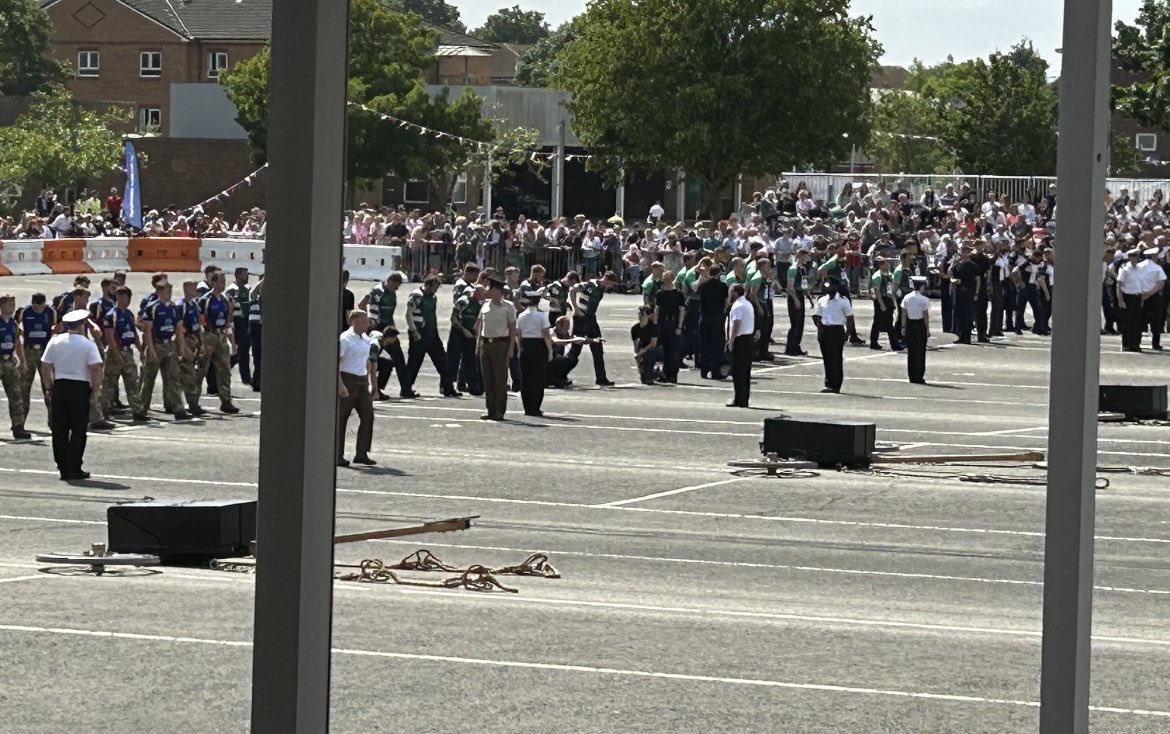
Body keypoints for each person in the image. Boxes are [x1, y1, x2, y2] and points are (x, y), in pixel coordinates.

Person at [41, 309, 103, 481]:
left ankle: (62, 466)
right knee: (78, 429)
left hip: (60, 386)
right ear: (82, 325)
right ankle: (74, 465)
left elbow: (45, 365)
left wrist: (48, 387)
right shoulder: (87, 344)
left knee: (59, 428)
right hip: (79, 387)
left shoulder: (55, 341)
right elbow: (96, 368)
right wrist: (95, 391)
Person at [401, 275, 460, 398]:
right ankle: (406, 389)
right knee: (414, 362)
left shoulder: (433, 297)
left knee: (443, 361)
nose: (436, 290)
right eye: (434, 287)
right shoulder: (417, 295)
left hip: (432, 332)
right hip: (419, 332)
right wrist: (414, 331)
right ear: (428, 285)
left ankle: (448, 388)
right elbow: (408, 314)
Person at [139, 283, 191, 420]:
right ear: (159, 291)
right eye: (166, 290)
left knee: (173, 377)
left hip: (169, 344)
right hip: (156, 344)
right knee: (149, 378)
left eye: (170, 290)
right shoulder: (152, 307)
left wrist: (181, 347)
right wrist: (149, 348)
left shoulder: (174, 308)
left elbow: (179, 328)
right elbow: (147, 330)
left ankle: (177, 408)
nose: (168, 293)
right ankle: (142, 408)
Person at [101, 287, 148, 422]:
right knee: (109, 383)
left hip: (128, 351)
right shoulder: (111, 315)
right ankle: (104, 410)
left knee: (132, 382)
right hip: (115, 351)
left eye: (125, 296)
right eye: (120, 296)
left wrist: (141, 350)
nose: (122, 299)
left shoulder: (128, 314)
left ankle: (137, 411)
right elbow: (109, 337)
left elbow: (133, 334)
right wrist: (116, 355)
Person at [337, 310, 377, 468]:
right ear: (355, 322)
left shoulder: (366, 339)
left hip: (361, 381)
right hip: (347, 379)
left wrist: (373, 385)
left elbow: (367, 362)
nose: (368, 324)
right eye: (365, 321)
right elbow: (337, 362)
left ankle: (362, 453)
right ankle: (337, 454)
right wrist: (340, 384)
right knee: (341, 419)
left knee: (368, 416)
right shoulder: (345, 339)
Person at [359, 272, 408, 399]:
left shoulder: (392, 293)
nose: (396, 289)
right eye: (395, 286)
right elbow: (362, 304)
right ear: (390, 281)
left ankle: (405, 388)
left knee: (398, 358)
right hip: (377, 328)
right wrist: (368, 320)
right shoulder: (378, 291)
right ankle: (373, 390)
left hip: (388, 327)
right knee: (373, 359)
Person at [197, 272, 241, 414]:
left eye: (224, 281)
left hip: (221, 336)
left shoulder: (225, 300)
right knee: (202, 369)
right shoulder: (205, 300)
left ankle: (226, 400)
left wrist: (232, 342)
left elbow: (229, 321)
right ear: (214, 282)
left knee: (224, 368)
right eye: (221, 281)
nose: (223, 284)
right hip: (209, 335)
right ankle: (193, 401)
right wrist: (203, 340)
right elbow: (200, 320)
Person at [567, 271, 618, 387]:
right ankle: (560, 374)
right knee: (576, 348)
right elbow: (573, 290)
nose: (610, 287)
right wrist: (575, 308)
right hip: (581, 317)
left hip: (591, 318)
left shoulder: (601, 288)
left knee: (597, 347)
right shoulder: (591, 285)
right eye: (610, 283)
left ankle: (601, 378)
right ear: (606, 279)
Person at [476, 278, 517, 420]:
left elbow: (512, 328)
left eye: (491, 289)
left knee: (500, 379)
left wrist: (511, 348)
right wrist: (478, 343)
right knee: (487, 378)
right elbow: (480, 324)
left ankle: (500, 410)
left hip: (501, 344)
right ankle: (490, 409)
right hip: (486, 343)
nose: (488, 291)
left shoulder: (508, 306)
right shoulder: (485, 305)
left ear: (498, 291)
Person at [16, 293, 56, 425]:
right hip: (29, 351)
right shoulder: (25, 312)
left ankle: (53, 421)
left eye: (41, 306)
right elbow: (16, 327)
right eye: (36, 306)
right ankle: (20, 423)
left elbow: (56, 327)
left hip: (45, 350)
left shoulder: (50, 312)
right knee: (24, 387)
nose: (39, 309)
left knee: (49, 386)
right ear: (32, 304)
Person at [813, 278, 852, 394]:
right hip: (825, 330)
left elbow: (849, 317)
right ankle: (829, 383)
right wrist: (820, 328)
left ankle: (836, 385)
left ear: (836, 287)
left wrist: (847, 333)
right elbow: (817, 316)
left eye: (830, 285)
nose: (827, 287)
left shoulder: (843, 301)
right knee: (827, 358)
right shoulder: (822, 300)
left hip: (837, 330)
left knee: (836, 358)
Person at [0, 297, 31, 439]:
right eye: (10, 305)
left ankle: (18, 426)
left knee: (16, 394)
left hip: (9, 361)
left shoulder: (13, 324)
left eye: (14, 305)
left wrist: (22, 360)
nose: (12, 307)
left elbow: (17, 341)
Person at [516, 297, 552, 416]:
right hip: (538, 344)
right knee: (538, 377)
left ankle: (527, 407)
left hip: (525, 344)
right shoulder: (541, 316)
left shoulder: (521, 316)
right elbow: (546, 334)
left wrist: (519, 348)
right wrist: (550, 350)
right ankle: (535, 407)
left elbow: (519, 334)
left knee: (526, 378)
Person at [179, 280, 209, 416]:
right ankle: (189, 404)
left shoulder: (194, 305)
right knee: (187, 373)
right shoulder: (182, 305)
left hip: (195, 339)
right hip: (186, 339)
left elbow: (199, 324)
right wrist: (184, 345)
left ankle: (193, 402)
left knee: (194, 372)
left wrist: (201, 342)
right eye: (193, 288)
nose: (196, 291)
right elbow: (179, 326)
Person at [449, 284, 485, 396]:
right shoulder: (463, 301)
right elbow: (453, 318)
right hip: (459, 332)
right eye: (481, 294)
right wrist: (463, 330)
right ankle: (447, 385)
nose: (482, 297)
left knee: (470, 360)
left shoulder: (480, 304)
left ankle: (473, 386)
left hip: (472, 332)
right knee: (453, 360)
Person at [696, 263, 730, 379]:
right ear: (719, 273)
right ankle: (715, 371)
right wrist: (723, 312)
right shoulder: (723, 286)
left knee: (704, 343)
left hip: (704, 316)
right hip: (717, 317)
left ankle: (704, 370)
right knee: (717, 345)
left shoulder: (704, 286)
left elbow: (697, 294)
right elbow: (726, 302)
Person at [726, 284, 756, 408]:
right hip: (748, 338)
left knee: (738, 371)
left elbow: (736, 324)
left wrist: (731, 341)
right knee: (745, 371)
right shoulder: (748, 304)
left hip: (740, 339)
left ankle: (739, 398)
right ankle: (744, 398)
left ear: (734, 293)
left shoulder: (737, 306)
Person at [654, 272, 685, 382]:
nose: (665, 280)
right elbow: (657, 309)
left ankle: (673, 374)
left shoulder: (678, 294)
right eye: (664, 278)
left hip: (673, 323)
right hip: (663, 323)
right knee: (665, 350)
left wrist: (679, 326)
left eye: (667, 278)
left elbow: (681, 310)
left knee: (674, 351)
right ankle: (665, 373)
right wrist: (655, 324)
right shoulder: (660, 293)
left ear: (672, 279)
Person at [901, 276, 932, 384]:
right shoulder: (924, 299)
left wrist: (903, 327)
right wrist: (927, 329)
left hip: (910, 324)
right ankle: (919, 375)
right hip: (920, 325)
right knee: (920, 351)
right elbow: (925, 316)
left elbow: (904, 313)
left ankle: (911, 375)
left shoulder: (907, 297)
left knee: (911, 351)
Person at [225, 267, 253, 386]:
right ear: (238, 275)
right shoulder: (232, 289)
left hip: (246, 321)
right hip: (238, 321)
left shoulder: (246, 288)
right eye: (245, 275)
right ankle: (245, 377)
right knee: (241, 350)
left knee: (244, 350)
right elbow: (229, 304)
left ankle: (245, 375)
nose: (247, 277)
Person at [868, 257, 902, 351]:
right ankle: (875, 342)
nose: (888, 265)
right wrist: (881, 304)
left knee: (888, 323)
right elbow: (877, 291)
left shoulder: (888, 275)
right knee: (878, 322)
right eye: (886, 264)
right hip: (882, 300)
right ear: (881, 265)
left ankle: (893, 344)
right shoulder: (877, 276)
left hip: (888, 299)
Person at [1139, 247, 1168, 350]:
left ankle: (1136, 342)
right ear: (1154, 256)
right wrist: (1150, 293)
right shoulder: (1157, 268)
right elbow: (1161, 284)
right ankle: (1155, 344)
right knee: (1155, 321)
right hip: (1154, 296)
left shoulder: (1139, 266)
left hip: (1140, 295)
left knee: (1139, 319)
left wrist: (1144, 294)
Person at [785, 250, 811, 356]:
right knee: (795, 323)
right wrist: (795, 299)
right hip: (794, 296)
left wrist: (808, 297)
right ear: (801, 256)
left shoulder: (802, 268)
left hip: (800, 294)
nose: (808, 257)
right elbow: (790, 287)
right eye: (806, 255)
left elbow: (803, 284)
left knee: (800, 324)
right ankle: (790, 347)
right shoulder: (793, 269)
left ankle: (796, 346)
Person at [630, 306, 663, 385]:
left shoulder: (653, 327)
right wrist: (638, 355)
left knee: (649, 353)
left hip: (657, 349)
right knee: (643, 376)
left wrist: (642, 352)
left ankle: (650, 376)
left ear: (649, 315)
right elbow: (636, 347)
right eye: (639, 314)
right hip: (643, 348)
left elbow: (653, 344)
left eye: (642, 314)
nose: (640, 316)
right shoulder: (635, 329)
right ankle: (647, 373)